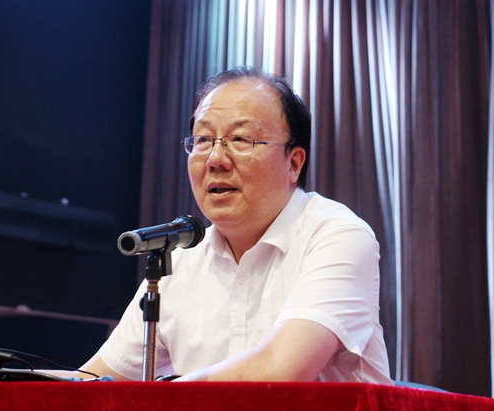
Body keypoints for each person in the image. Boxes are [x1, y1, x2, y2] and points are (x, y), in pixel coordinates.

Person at [68, 66, 392, 383]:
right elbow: (92, 381)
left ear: (293, 163)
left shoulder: (337, 236)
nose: (215, 160)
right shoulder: (180, 262)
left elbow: (282, 371)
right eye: (203, 140)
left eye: (240, 139)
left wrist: (164, 396)